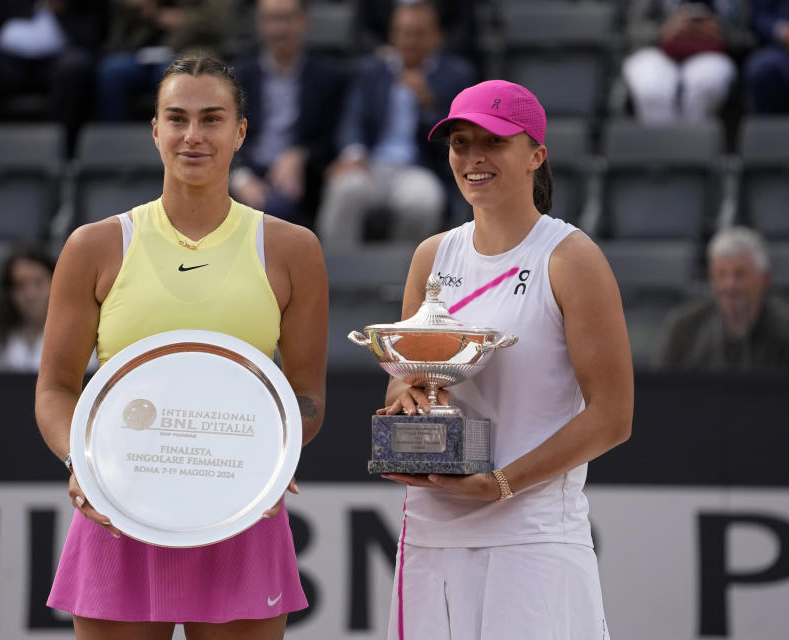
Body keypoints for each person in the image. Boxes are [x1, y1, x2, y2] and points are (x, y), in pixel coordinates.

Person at [35, 54, 327, 638]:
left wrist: (271, 459)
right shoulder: (94, 246)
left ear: (240, 132)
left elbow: (305, 396)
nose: (193, 136)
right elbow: (57, 387)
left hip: (238, 507)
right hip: (118, 503)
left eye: (212, 118)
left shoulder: (292, 249)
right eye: (177, 118)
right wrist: (83, 463)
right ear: (155, 130)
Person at [378, 80, 634, 639]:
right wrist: (408, 399)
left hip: (532, 533)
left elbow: (613, 416)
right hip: (430, 531)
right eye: (460, 143)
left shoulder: (570, 258)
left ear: (535, 155)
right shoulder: (432, 255)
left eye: (493, 142)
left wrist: (501, 483)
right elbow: (404, 384)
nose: (473, 158)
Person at [316, 0, 475, 250]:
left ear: (437, 37)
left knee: (423, 200)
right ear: (392, 36)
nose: (410, 42)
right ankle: (335, 277)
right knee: (346, 188)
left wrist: (427, 106)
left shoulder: (455, 75)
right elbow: (352, 118)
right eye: (404, 34)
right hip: (370, 164)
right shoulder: (372, 70)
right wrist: (354, 153)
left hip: (417, 169)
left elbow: (457, 140)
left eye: (419, 34)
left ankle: (403, 279)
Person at [0, 0, 109, 155]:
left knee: (75, 70)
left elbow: (97, 24)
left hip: (61, 55)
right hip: (4, 57)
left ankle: (65, 159)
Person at [230, 0, 347, 226]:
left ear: (304, 21)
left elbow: (331, 140)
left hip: (300, 180)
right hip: (246, 169)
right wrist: (240, 176)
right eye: (271, 20)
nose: (279, 29)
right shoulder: (239, 77)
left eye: (287, 19)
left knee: (277, 211)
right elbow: (222, 136)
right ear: (259, 24)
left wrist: (301, 154)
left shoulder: (329, 77)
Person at [657, 226, 789, 370]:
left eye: (740, 274)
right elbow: (661, 387)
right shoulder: (684, 327)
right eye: (721, 274)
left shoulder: (784, 329)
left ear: (764, 279)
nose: (730, 285)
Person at [96, 0, 233, 122]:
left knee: (171, 72)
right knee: (112, 71)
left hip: (189, 49)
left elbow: (219, 22)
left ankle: (172, 137)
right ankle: (115, 140)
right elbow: (118, 23)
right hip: (141, 52)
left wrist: (182, 19)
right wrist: (140, 7)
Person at [0, 244, 98, 372]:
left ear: (56, 284)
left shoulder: (80, 339)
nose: (30, 294)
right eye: (20, 285)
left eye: (38, 283)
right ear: (9, 292)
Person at [622, 0, 737, 123]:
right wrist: (663, 31)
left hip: (712, 53)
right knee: (651, 86)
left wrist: (720, 32)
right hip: (657, 51)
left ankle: (695, 139)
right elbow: (631, 29)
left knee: (708, 80)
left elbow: (748, 33)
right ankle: (661, 140)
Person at [744, 0, 789, 113]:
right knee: (763, 68)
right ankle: (771, 127)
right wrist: (783, 32)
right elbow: (759, 17)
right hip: (780, 48)